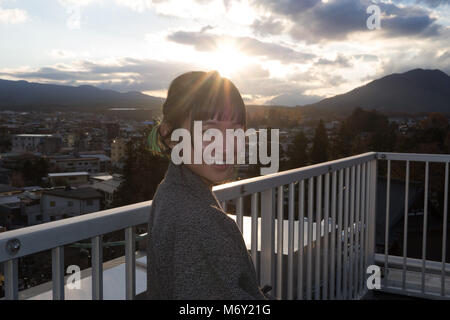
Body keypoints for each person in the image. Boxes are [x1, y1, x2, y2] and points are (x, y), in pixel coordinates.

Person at [146, 70, 270, 299]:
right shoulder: (200, 220)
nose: (224, 146)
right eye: (207, 131)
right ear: (171, 135)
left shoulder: (169, 191)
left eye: (235, 131)